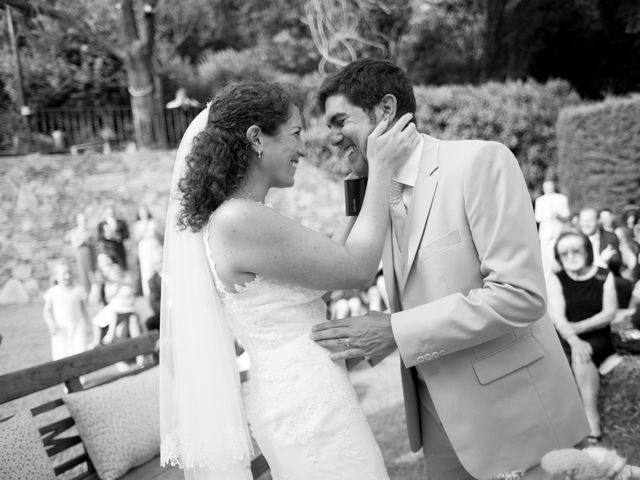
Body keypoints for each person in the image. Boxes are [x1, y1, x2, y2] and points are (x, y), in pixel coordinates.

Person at [311, 58, 589, 480]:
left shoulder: (479, 162)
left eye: (339, 121)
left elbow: (520, 294)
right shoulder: (375, 193)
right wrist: (359, 181)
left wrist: (395, 331)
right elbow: (344, 267)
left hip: (517, 422)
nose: (331, 138)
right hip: (437, 429)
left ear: (385, 110)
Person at [159, 81, 419, 479]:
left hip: (307, 396)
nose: (303, 148)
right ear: (256, 139)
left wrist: (356, 185)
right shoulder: (239, 219)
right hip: (305, 407)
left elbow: (324, 276)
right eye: (296, 134)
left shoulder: (240, 216)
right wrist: (382, 168)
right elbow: (358, 269)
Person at [546, 231, 618, 443]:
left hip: (598, 337)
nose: (570, 256)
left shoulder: (603, 275)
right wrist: (574, 339)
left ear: (587, 251)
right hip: (567, 337)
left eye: (576, 250)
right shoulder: (556, 279)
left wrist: (575, 330)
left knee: (581, 356)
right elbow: (557, 317)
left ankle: (591, 419)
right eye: (564, 253)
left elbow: (609, 314)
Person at [43, 262, 90, 359]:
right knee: (61, 355)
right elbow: (46, 311)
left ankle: (81, 374)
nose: (67, 276)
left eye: (69, 273)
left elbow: (83, 308)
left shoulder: (78, 289)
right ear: (56, 276)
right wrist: (51, 324)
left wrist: (88, 324)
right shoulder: (53, 292)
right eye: (64, 274)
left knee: (79, 352)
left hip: (78, 326)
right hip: (60, 328)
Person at [534, 179, 570, 273]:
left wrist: (558, 215)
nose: (548, 188)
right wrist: (547, 216)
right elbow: (537, 217)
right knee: (545, 254)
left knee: (558, 250)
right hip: (545, 231)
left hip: (558, 229)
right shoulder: (540, 200)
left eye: (550, 186)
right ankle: (546, 274)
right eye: (546, 186)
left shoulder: (561, 198)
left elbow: (566, 215)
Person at [133, 205, 163, 297]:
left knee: (157, 267)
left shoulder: (153, 222)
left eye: (145, 211)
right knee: (146, 268)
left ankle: (160, 287)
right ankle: (148, 291)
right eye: (141, 212)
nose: (143, 214)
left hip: (154, 245)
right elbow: (136, 238)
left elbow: (160, 236)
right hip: (144, 247)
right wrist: (143, 229)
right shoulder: (137, 224)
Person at [66, 212, 96, 294]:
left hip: (90, 254)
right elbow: (75, 244)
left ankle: (93, 294)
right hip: (81, 255)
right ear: (78, 221)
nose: (83, 221)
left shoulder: (90, 231)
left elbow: (94, 243)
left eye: (84, 219)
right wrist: (84, 240)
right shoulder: (74, 232)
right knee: (83, 274)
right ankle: (85, 293)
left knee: (92, 274)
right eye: (81, 219)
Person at [97, 205, 130, 271]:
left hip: (119, 250)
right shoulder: (102, 224)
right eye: (109, 211)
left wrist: (119, 237)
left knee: (122, 269)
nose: (111, 213)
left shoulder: (121, 223)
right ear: (106, 212)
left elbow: (127, 235)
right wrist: (105, 235)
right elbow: (99, 237)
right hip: (107, 250)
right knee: (109, 270)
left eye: (112, 211)